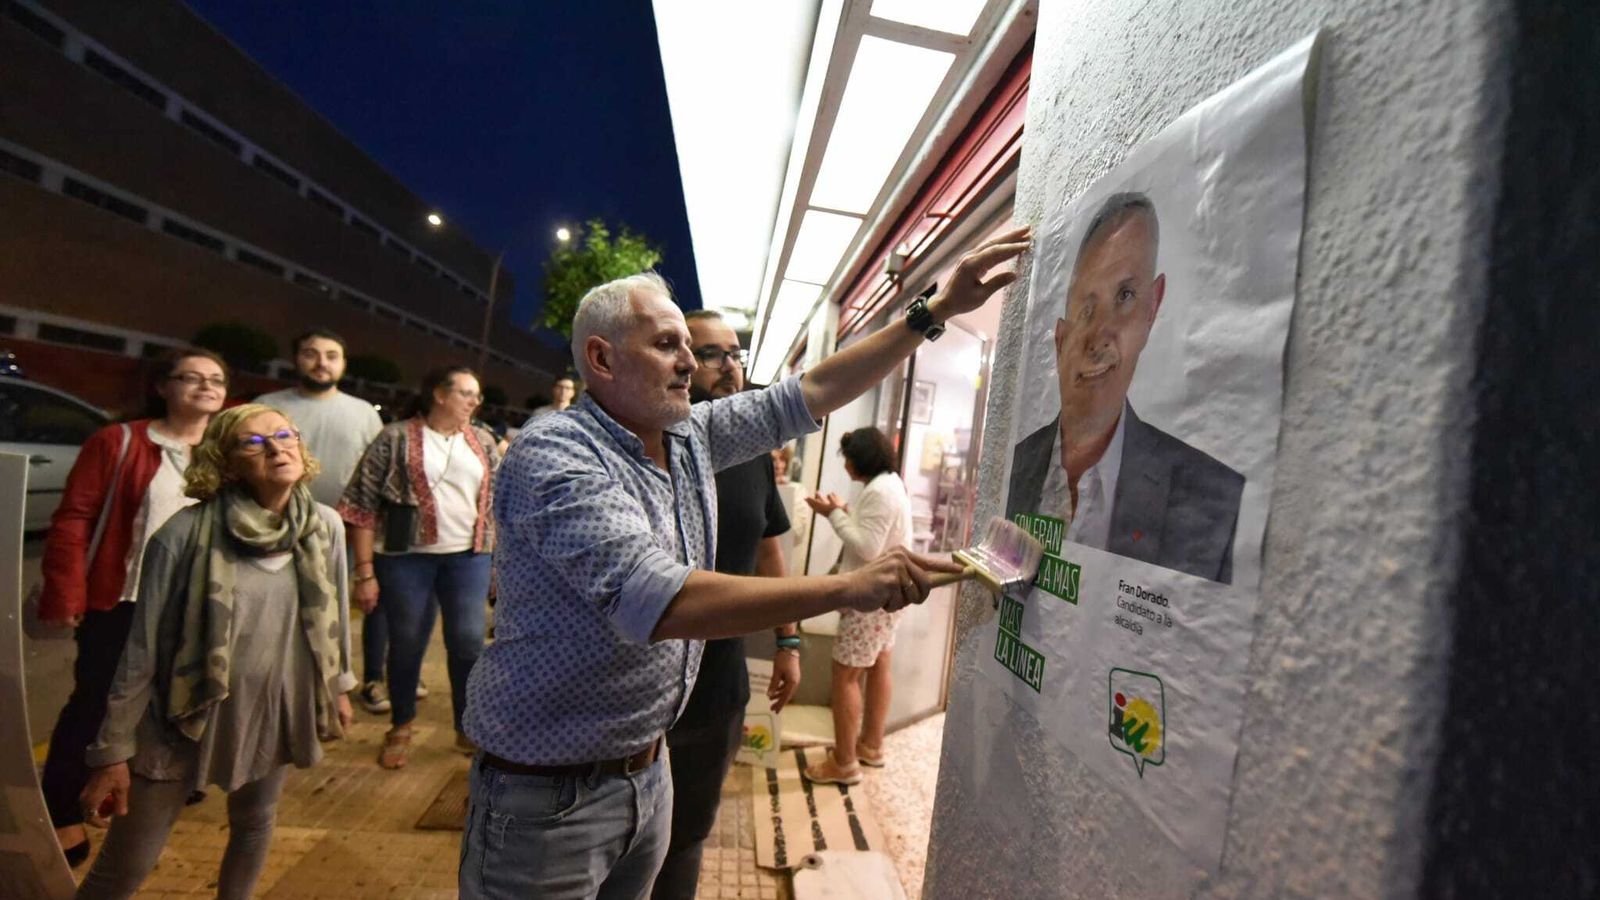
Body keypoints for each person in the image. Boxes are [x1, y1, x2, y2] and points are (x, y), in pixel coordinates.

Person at [460, 223, 1027, 900]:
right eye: (666, 345)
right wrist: (848, 587)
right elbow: (662, 601)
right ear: (601, 359)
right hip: (548, 798)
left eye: (688, 346)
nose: (688, 364)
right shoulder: (556, 453)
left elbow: (812, 390)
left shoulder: (688, 435)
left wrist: (934, 310)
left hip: (648, 772)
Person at [75, 403, 355, 899]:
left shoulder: (323, 526)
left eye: (284, 435)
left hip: (270, 708)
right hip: (181, 715)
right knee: (125, 866)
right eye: (253, 442)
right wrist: (112, 752)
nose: (276, 448)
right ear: (226, 463)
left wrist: (338, 687)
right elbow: (140, 653)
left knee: (254, 822)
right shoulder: (182, 536)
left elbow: (335, 613)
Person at [35, 349, 228, 867]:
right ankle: (60, 811)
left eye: (216, 379)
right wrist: (65, 591)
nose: (206, 386)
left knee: (180, 704)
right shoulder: (118, 442)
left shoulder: (225, 451)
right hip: (127, 598)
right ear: (163, 386)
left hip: (198, 605)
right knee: (97, 704)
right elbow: (75, 516)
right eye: (192, 377)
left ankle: (147, 793)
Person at [1005, 193, 1243, 582]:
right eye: (1086, 309)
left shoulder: (1212, 502)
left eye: (1125, 296)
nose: (1100, 336)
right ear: (1060, 339)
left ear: (1153, 307)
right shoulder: (1016, 466)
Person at [650, 310, 801, 900]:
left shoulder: (752, 453)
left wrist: (789, 642)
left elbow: (769, 551)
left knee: (686, 836)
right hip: (634, 687)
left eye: (735, 353)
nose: (728, 366)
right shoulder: (643, 449)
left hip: (716, 688)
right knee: (617, 841)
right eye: (710, 353)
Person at [339, 366, 500, 768]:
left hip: (469, 556)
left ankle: (467, 726)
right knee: (407, 641)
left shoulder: (482, 440)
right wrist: (364, 572)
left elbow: (499, 503)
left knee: (467, 642)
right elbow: (360, 506)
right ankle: (401, 725)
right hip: (406, 559)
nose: (475, 401)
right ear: (439, 394)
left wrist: (500, 563)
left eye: (477, 395)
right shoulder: (394, 437)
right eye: (466, 393)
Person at [254, 329, 394, 713]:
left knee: (333, 611)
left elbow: (377, 476)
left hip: (341, 534)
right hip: (271, 527)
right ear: (296, 358)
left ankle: (338, 683)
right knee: (276, 611)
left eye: (331, 355)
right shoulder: (267, 407)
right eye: (311, 353)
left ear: (343, 364)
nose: (321, 363)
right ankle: (274, 688)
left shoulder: (363, 413)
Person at [801, 427, 914, 785]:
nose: (846, 465)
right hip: (889, 595)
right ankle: (870, 746)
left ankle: (844, 763)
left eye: (848, 458)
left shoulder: (879, 491)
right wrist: (843, 510)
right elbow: (874, 534)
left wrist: (832, 514)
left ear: (861, 459)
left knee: (846, 675)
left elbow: (867, 547)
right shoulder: (889, 484)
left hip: (870, 599)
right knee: (880, 665)